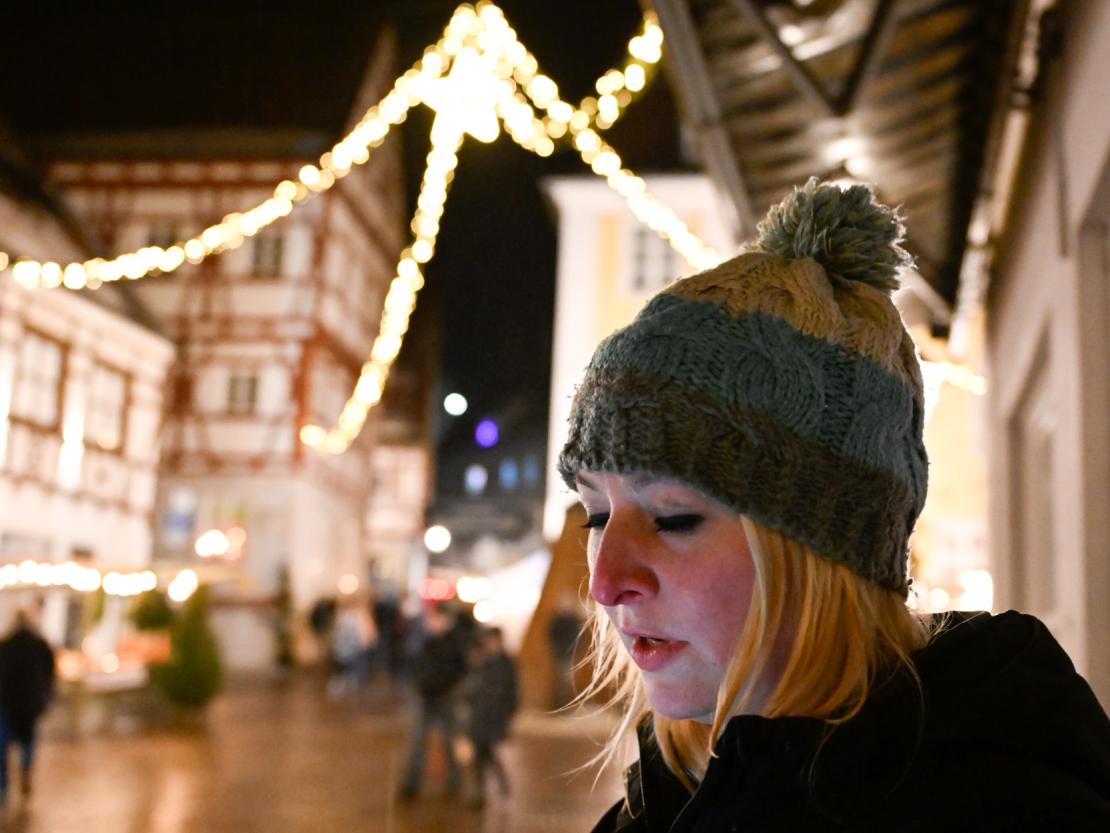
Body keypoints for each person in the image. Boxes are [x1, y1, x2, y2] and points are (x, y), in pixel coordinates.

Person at [556, 179, 1110, 832]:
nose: (603, 581)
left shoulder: (1005, 807)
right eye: (596, 514)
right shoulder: (669, 796)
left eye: (674, 516)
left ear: (826, 548)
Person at [399, 602, 469, 800]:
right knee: (418, 742)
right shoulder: (427, 641)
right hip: (426, 698)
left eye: (434, 618)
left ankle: (455, 783)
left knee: (449, 742)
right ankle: (411, 784)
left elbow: (458, 672)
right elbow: (417, 666)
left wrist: (443, 688)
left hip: (445, 699)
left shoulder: (454, 643)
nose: (430, 622)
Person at [0, 609, 56, 804]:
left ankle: (4, 786)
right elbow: (51, 673)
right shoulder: (40, 645)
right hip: (29, 704)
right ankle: (25, 770)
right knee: (28, 742)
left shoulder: (5, 645)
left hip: (6, 704)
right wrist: (46, 694)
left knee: (3, 747)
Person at [464, 627, 518, 807]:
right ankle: (484, 791)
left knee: (487, 753)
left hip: (495, 716)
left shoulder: (507, 664)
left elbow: (512, 693)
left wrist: (508, 715)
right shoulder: (484, 662)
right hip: (480, 715)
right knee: (481, 753)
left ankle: (494, 787)